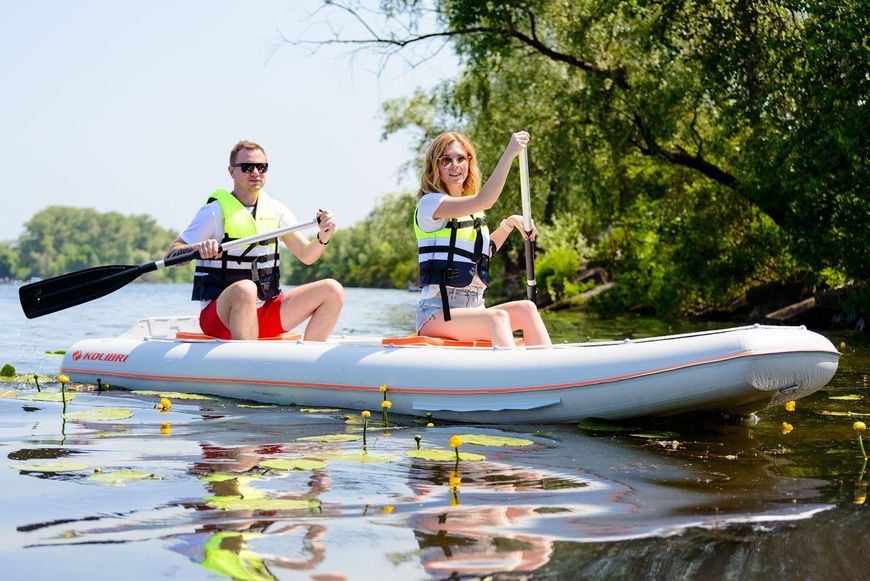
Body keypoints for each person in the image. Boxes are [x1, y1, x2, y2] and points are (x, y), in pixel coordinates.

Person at [165, 140, 344, 341]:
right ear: (231, 171)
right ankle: (248, 361)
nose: (256, 172)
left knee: (332, 290)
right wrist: (199, 247)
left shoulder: (276, 210)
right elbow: (172, 254)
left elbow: (307, 256)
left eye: (262, 167)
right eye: (247, 167)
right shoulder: (214, 212)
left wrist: (324, 235)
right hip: (221, 317)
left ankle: (309, 362)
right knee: (245, 289)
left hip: (265, 312)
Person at [414, 131, 551, 347]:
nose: (455, 165)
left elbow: (485, 253)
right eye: (446, 160)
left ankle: (551, 372)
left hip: (474, 310)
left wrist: (508, 224)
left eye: (461, 158)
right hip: (438, 313)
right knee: (497, 318)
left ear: (469, 162)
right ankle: (517, 375)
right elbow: (485, 200)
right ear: (435, 166)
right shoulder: (430, 204)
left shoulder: (473, 213)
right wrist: (509, 154)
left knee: (527, 309)